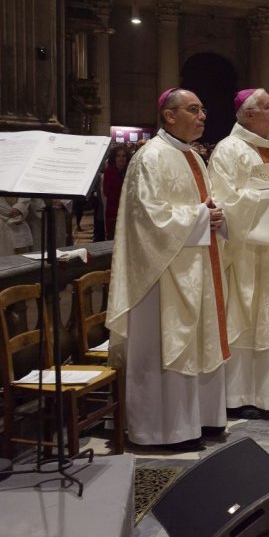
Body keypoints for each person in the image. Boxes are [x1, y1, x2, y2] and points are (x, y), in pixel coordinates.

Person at [105, 88, 229, 449]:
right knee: (165, 345)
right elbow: (149, 218)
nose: (203, 115)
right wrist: (204, 215)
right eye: (193, 109)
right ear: (169, 115)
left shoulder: (193, 156)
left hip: (196, 265)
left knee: (198, 341)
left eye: (203, 108)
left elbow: (203, 204)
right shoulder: (151, 157)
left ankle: (201, 419)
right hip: (160, 273)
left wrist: (214, 212)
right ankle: (161, 429)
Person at [209, 88, 269, 417]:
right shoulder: (228, 150)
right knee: (249, 317)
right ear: (248, 114)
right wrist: (266, 199)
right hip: (250, 254)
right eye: (268, 107)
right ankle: (245, 395)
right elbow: (225, 202)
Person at [102, 145, 130, 239]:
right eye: (118, 156)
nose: (121, 158)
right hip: (113, 211)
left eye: (123, 156)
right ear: (114, 157)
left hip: (128, 211)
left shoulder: (130, 171)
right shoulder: (108, 172)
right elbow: (107, 192)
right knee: (113, 239)